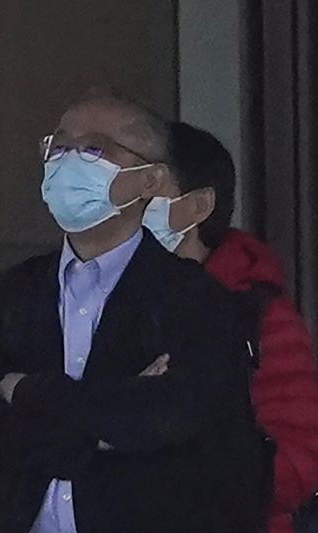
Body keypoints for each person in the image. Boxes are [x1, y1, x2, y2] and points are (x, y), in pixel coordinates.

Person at [0, 93, 269, 532]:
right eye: (57, 147)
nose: (67, 161)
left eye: (94, 149)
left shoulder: (196, 298)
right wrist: (102, 424)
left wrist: (25, 393)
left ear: (150, 180)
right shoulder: (9, 293)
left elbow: (161, 420)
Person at [143, 121, 318, 533]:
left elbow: (297, 463)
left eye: (150, 183)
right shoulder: (89, 300)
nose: (125, 201)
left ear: (198, 205)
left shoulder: (255, 313)